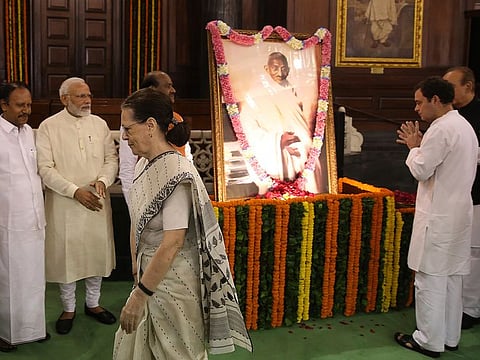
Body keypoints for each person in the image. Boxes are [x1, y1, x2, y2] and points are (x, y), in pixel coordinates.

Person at [113, 88, 252, 359]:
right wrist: (135, 271)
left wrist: (140, 294)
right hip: (146, 276)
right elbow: (136, 222)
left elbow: (172, 243)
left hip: (174, 283)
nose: (124, 137)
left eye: (128, 129)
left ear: (150, 125)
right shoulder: (143, 164)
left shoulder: (178, 173)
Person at [394, 76, 478, 357]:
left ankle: (428, 340)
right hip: (458, 214)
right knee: (452, 279)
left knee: (429, 279)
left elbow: (421, 170)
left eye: (420, 102)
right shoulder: (465, 126)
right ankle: (449, 337)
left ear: (435, 100)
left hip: (438, 216)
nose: (416, 109)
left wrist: (413, 146)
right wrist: (420, 146)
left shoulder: (440, 130)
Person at [36, 77, 118, 335]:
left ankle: (92, 303)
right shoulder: (49, 127)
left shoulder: (100, 123)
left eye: (88, 95)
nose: (87, 101)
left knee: (95, 252)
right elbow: (44, 168)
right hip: (65, 203)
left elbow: (111, 158)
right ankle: (68, 308)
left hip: (96, 198)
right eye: (81, 96)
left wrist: (104, 180)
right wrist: (74, 191)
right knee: (67, 256)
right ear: (64, 99)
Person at [0, 82, 49, 352]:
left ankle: (32, 329)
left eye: (29, 105)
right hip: (7, 222)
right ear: (4, 105)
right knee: (8, 280)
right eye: (20, 105)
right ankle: (6, 334)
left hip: (34, 218)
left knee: (33, 279)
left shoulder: (30, 132)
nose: (26, 110)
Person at [239, 51, 323, 194]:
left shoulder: (294, 91)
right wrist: (278, 141)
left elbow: (302, 124)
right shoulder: (256, 93)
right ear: (267, 69)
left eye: (283, 68)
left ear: (288, 70)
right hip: (273, 152)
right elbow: (248, 127)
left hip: (301, 147)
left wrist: (301, 144)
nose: (280, 72)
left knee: (310, 160)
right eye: (275, 68)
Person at [119, 70, 192, 206]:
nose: (173, 90)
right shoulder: (133, 122)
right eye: (168, 86)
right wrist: (134, 209)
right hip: (147, 194)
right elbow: (127, 168)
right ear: (152, 89)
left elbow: (187, 156)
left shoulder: (176, 119)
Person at [443, 66, 480, 329]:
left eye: (451, 85)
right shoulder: (450, 115)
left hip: (476, 194)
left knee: (474, 253)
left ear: (468, 86)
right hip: (455, 195)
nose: (446, 92)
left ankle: (471, 308)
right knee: (459, 252)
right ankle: (457, 305)